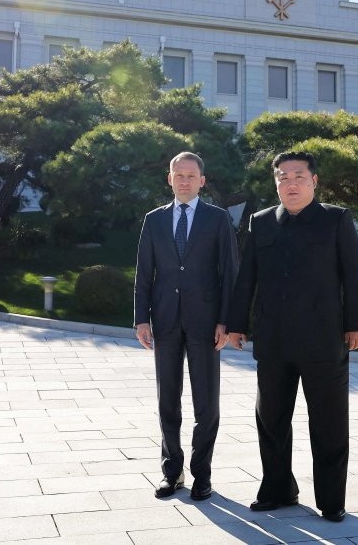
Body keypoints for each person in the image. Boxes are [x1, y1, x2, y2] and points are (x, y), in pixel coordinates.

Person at [227, 151, 358, 523]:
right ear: (275, 182)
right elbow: (248, 278)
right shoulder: (261, 223)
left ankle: (331, 499)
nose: (290, 183)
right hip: (273, 340)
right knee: (270, 420)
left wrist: (357, 324)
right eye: (283, 176)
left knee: (329, 423)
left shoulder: (335, 220)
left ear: (314, 181)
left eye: (299, 176)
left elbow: (353, 275)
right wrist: (236, 324)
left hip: (324, 339)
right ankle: (278, 489)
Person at [134, 152, 239, 501]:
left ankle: (202, 475)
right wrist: (140, 318)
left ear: (201, 181)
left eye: (191, 176)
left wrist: (227, 320)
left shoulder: (218, 219)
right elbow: (143, 273)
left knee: (206, 403)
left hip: (206, 323)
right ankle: (171, 471)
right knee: (168, 400)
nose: (184, 181)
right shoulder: (154, 220)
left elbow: (230, 273)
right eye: (178, 175)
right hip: (163, 321)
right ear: (169, 179)